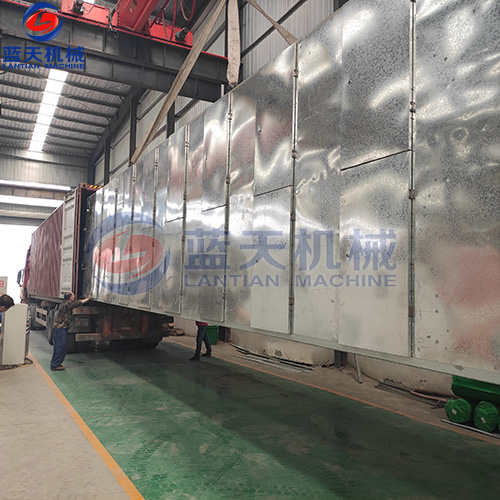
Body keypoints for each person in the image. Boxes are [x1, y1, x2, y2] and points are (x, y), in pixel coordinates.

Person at [50, 292, 91, 371]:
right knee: (60, 347)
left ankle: (56, 363)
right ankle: (55, 365)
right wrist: (87, 298)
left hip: (60, 329)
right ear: (70, 298)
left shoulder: (64, 303)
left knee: (60, 347)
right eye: (73, 295)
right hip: (60, 329)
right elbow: (78, 303)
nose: (74, 296)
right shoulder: (67, 304)